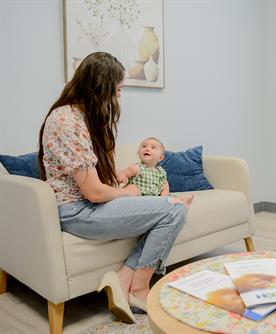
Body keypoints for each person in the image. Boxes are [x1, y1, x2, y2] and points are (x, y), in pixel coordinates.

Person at [37, 52, 187, 323]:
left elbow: (94, 182)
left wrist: (118, 183)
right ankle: (139, 287)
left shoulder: (79, 117)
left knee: (174, 204)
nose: (118, 97)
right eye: (116, 90)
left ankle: (122, 277)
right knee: (173, 210)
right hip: (77, 211)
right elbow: (93, 193)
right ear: (99, 88)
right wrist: (127, 192)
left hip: (88, 206)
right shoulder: (66, 121)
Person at [117, 137, 194, 207]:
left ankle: (181, 201)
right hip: (139, 196)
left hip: (155, 198)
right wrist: (122, 177)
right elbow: (123, 173)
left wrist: (164, 197)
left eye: (153, 147)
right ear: (138, 153)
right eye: (144, 146)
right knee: (131, 189)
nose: (147, 149)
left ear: (160, 158)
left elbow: (165, 185)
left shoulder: (161, 171)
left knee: (170, 197)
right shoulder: (137, 168)